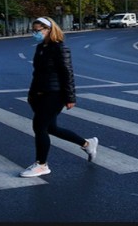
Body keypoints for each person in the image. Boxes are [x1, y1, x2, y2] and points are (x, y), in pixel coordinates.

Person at [20, 16, 98, 178]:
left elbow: (67, 73)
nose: (35, 33)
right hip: (39, 94)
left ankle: (42, 165)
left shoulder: (60, 48)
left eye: (38, 30)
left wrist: (70, 97)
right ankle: (87, 144)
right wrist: (31, 94)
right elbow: (37, 74)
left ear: (49, 29)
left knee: (39, 127)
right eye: (33, 31)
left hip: (55, 94)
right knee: (51, 128)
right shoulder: (41, 47)